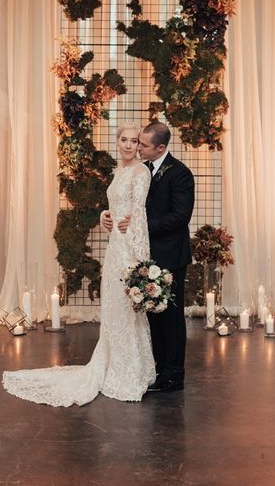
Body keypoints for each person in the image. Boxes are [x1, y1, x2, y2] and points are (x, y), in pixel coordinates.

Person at [2, 124, 155, 406]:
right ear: (117, 141)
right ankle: (111, 367)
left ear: (139, 145)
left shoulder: (141, 172)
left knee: (125, 309)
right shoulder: (119, 172)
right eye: (124, 139)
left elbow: (139, 213)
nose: (129, 145)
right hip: (114, 247)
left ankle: (131, 373)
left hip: (128, 250)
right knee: (112, 310)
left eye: (134, 141)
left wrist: (139, 259)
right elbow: (117, 207)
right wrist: (104, 216)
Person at [102, 121, 194, 394]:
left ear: (161, 148)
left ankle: (174, 376)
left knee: (172, 319)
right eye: (134, 142)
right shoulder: (142, 169)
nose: (137, 147)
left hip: (170, 255)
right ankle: (156, 369)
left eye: (143, 144)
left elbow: (180, 216)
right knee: (152, 317)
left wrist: (138, 225)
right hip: (144, 252)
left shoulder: (180, 174)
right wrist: (112, 217)